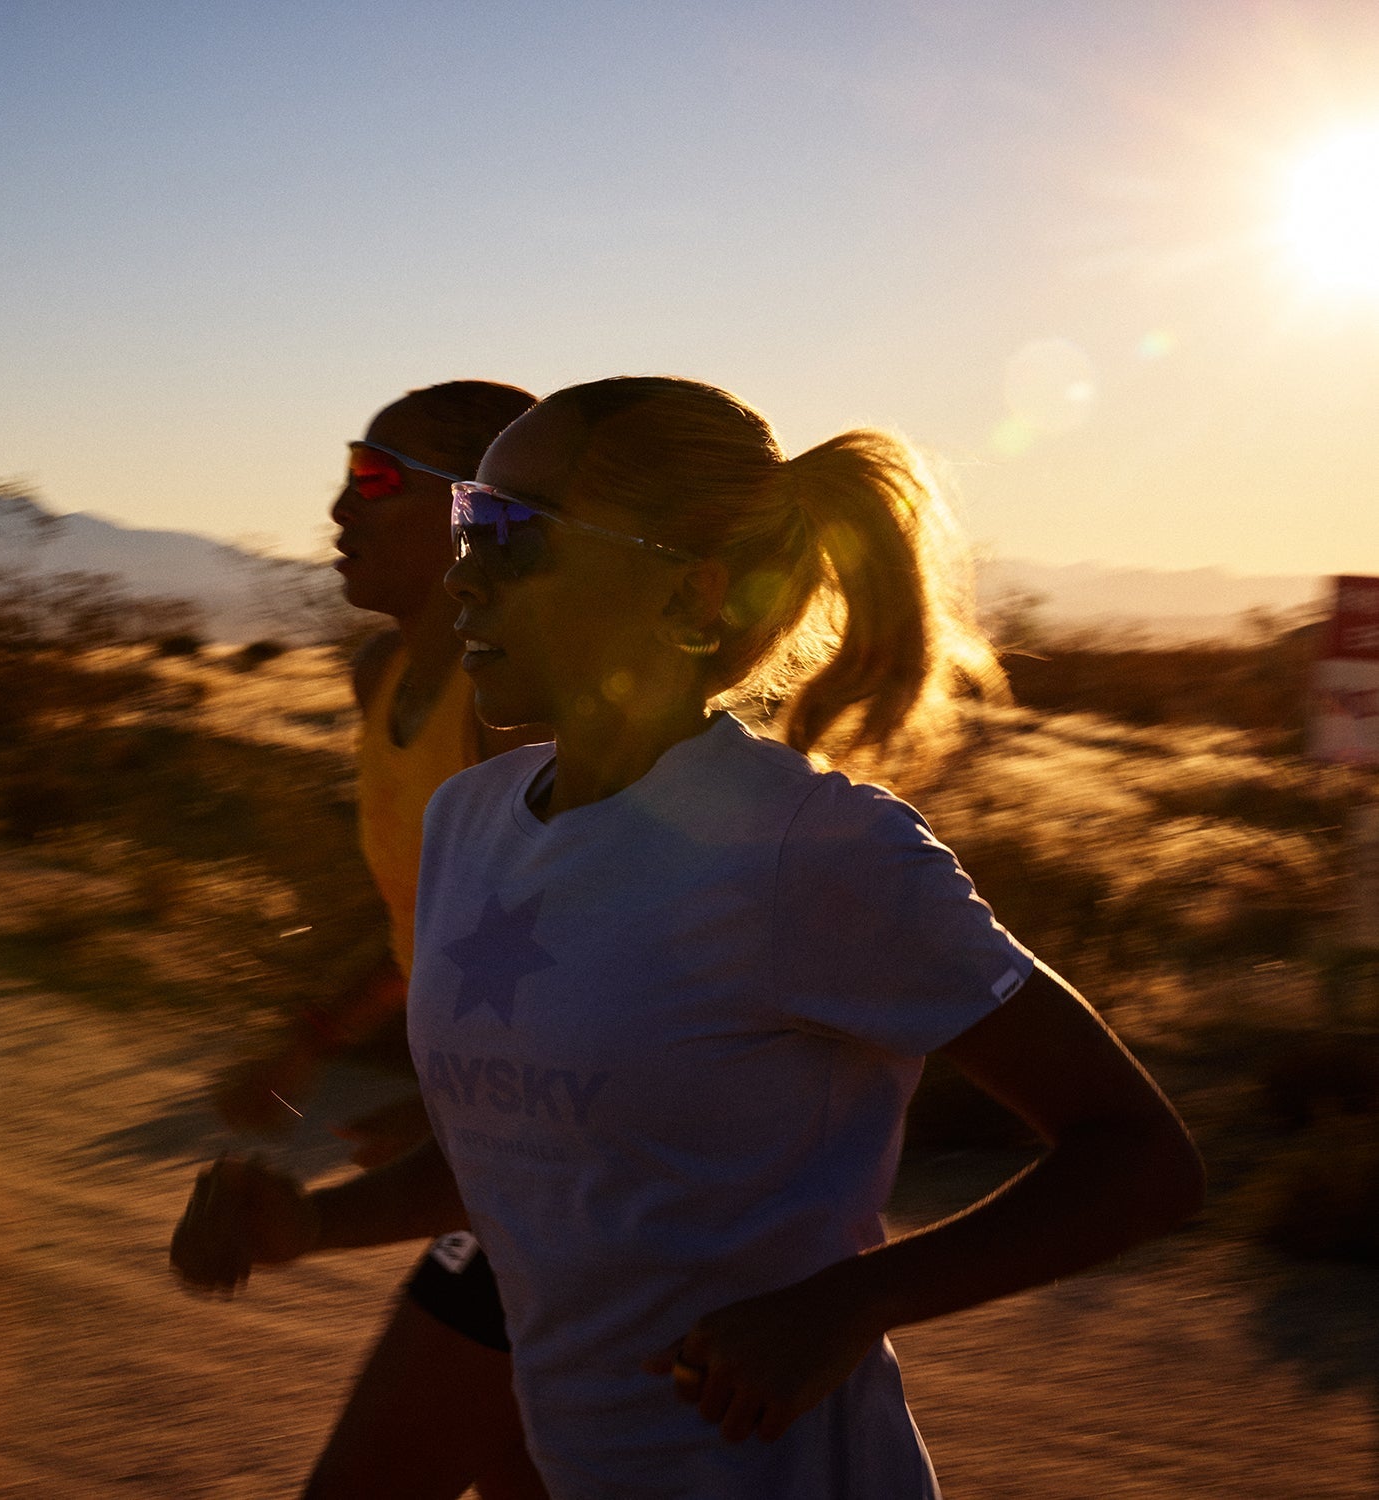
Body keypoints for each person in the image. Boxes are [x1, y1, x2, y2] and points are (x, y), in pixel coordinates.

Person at [175, 377, 1205, 1498]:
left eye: (514, 534)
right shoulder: (472, 820)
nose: (466, 571)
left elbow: (1141, 1160)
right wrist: (305, 1226)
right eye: (469, 520)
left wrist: (846, 1306)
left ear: (694, 589)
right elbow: (524, 1164)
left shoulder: (811, 847)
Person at [180, 379, 549, 1500]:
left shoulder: (516, 705)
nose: (340, 510)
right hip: (518, 1175)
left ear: (476, 515)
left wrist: (453, 1107)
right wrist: (308, 1044)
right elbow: (432, 932)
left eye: (375, 478)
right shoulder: (381, 678)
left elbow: (583, 961)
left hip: (567, 1185)